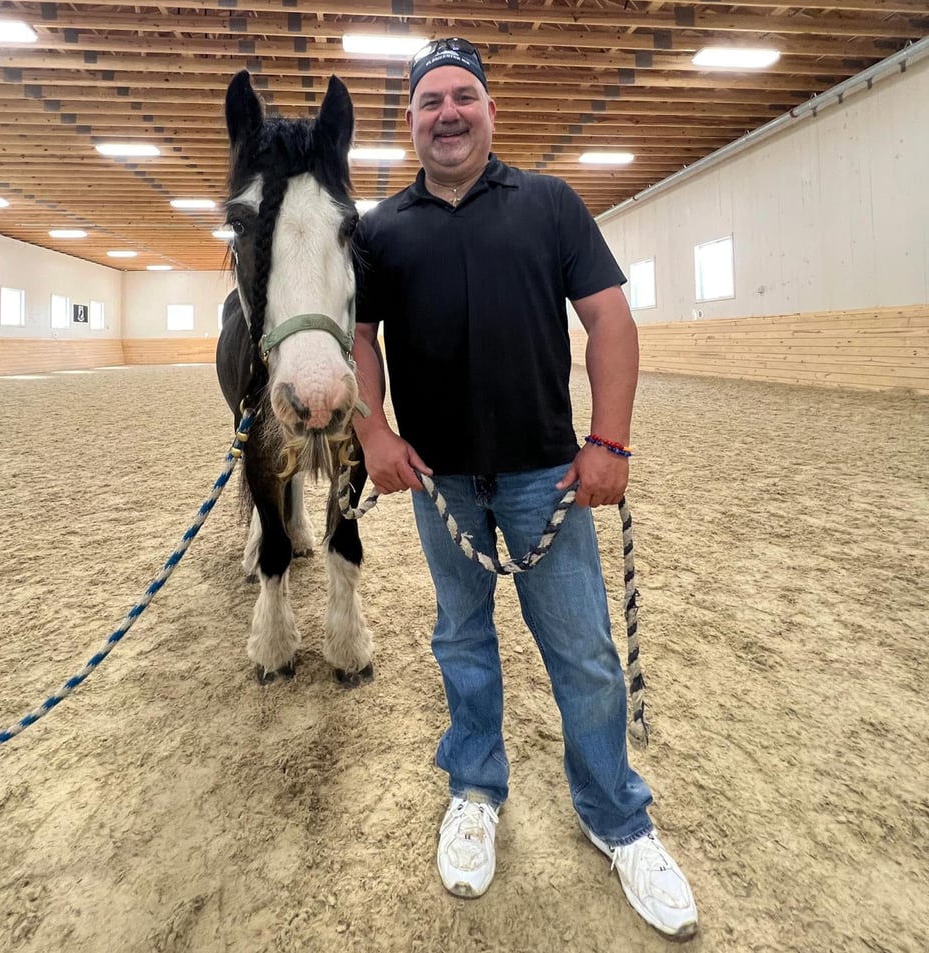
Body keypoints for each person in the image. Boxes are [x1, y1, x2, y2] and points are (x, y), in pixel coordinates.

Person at [351, 38, 698, 938]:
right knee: (461, 639)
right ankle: (475, 791)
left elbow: (609, 320)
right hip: (439, 480)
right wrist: (373, 432)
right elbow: (357, 338)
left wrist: (609, 439)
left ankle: (618, 817)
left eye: (463, 96)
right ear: (411, 121)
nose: (448, 113)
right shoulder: (379, 231)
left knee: (583, 650)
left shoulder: (550, 204)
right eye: (430, 101)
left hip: (547, 474)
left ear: (490, 111)